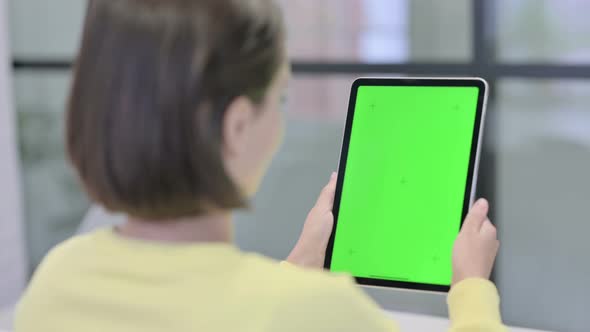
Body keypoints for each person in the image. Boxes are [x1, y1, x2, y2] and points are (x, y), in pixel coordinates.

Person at [14, 0, 505, 331]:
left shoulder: (54, 283)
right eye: (280, 97)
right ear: (237, 125)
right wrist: (471, 288)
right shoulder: (319, 314)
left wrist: (296, 265)